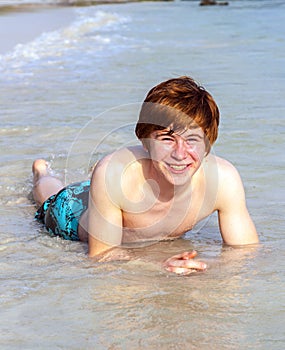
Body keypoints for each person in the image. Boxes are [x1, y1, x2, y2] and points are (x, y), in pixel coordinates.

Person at [32, 76, 259, 275]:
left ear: (208, 144)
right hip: (74, 213)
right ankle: (42, 172)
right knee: (51, 196)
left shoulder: (224, 180)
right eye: (167, 139)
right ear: (145, 141)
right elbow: (100, 255)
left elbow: (246, 253)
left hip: (113, 191)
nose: (180, 154)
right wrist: (157, 264)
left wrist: (205, 266)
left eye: (192, 140)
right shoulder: (114, 175)